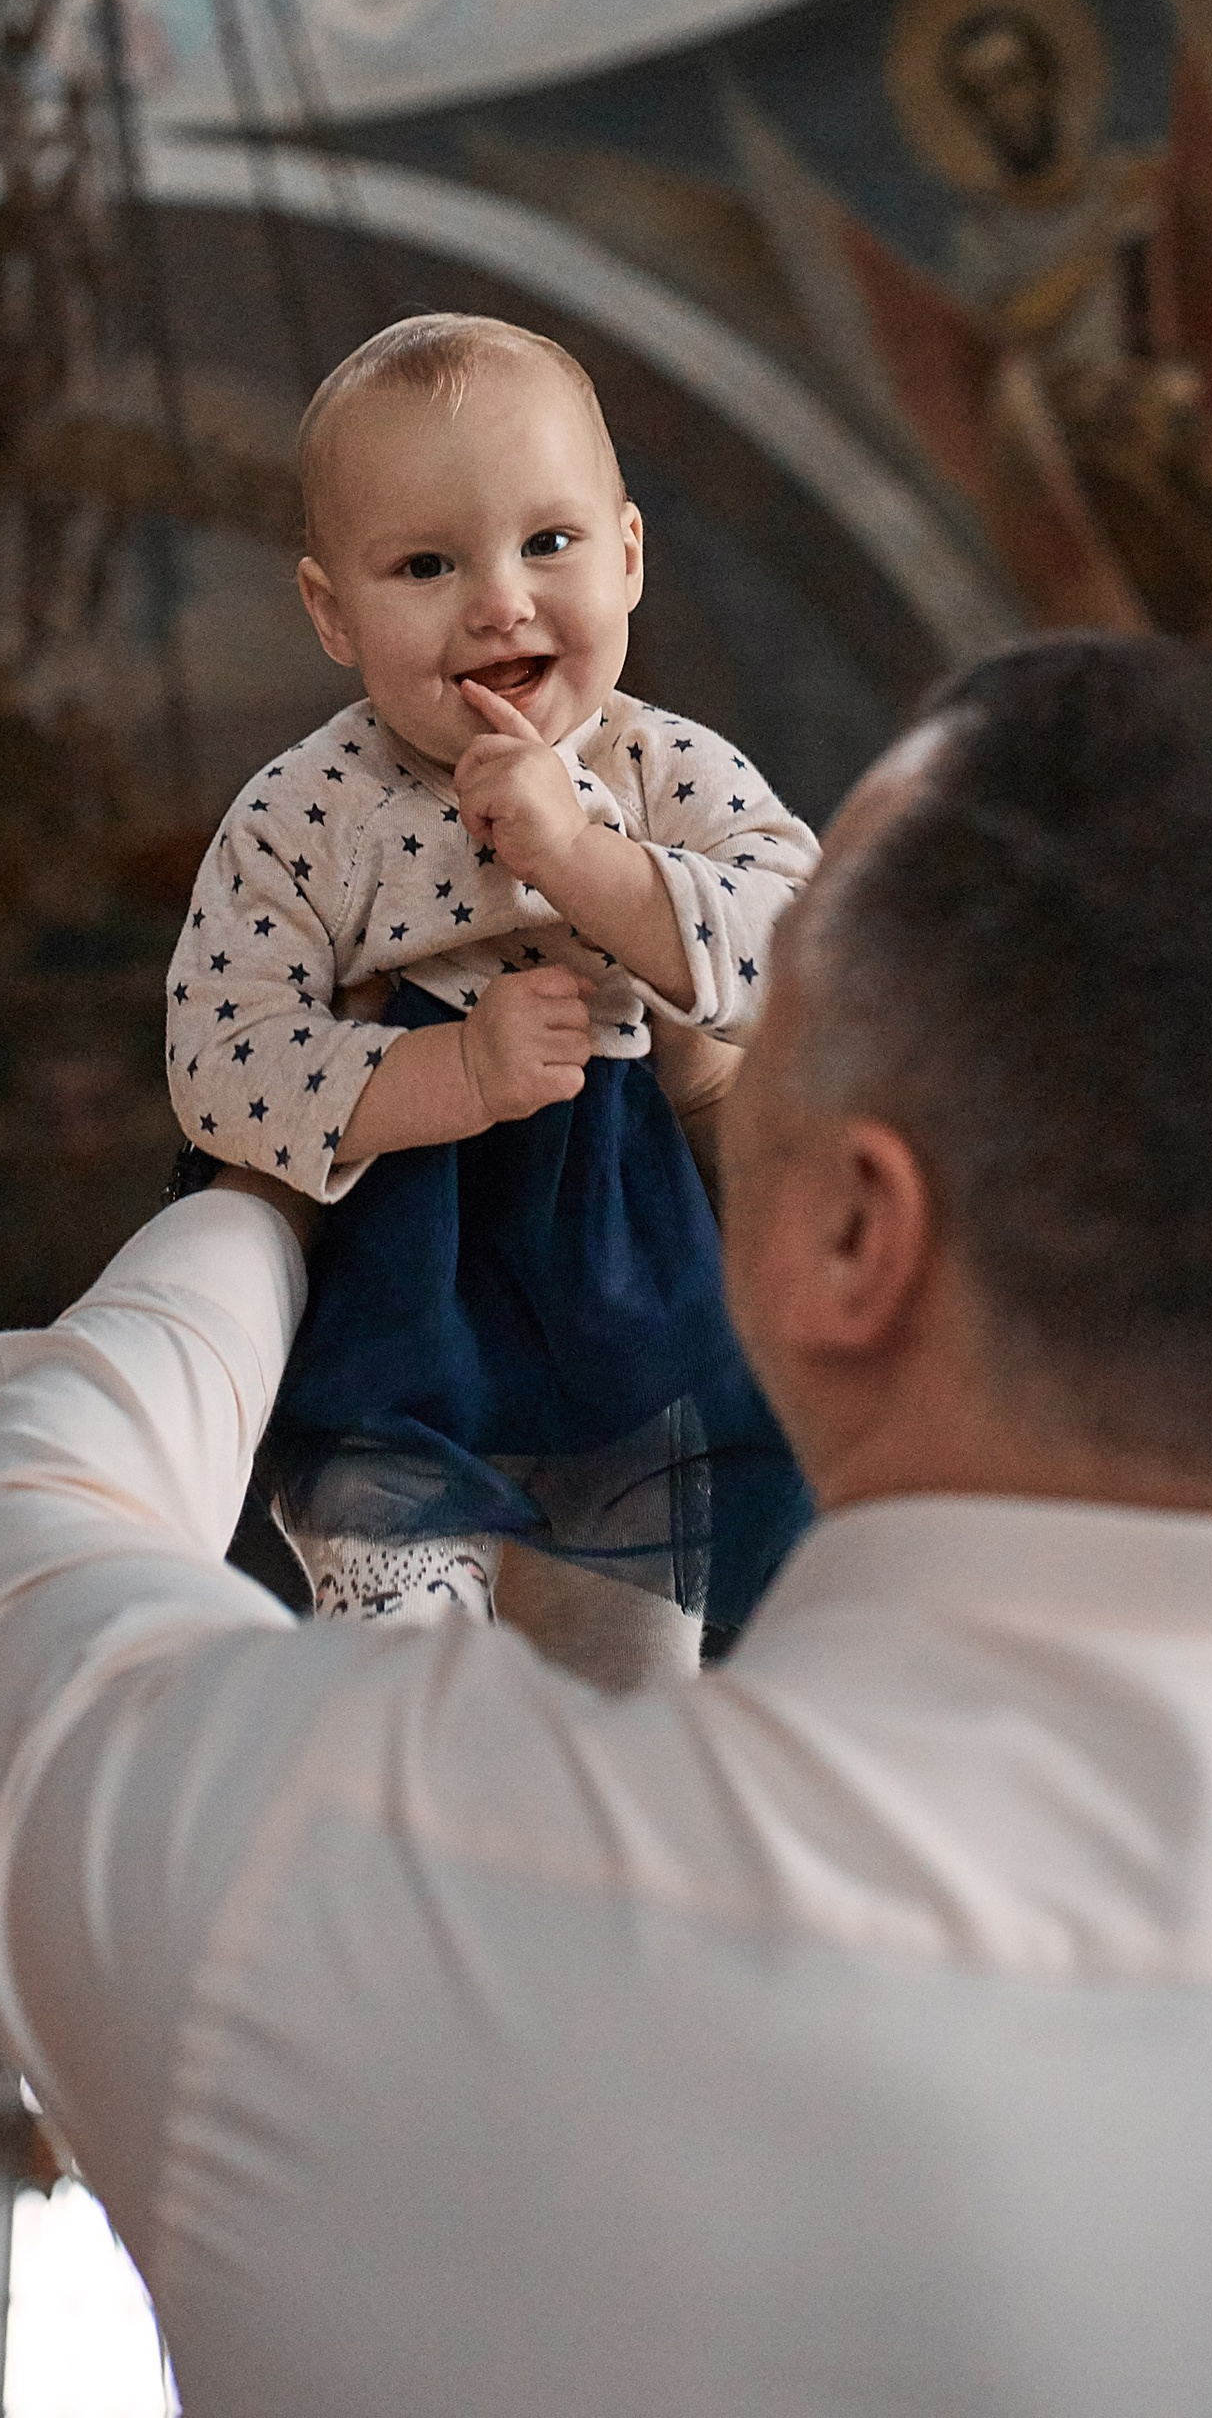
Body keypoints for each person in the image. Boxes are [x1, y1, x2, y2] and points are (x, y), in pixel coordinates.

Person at [0, 636, 1212, 2418]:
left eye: (742, 1072)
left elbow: (14, 1553)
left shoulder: (362, 1885)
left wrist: (285, 1194)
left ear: (851, 1245)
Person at [162, 313, 816, 1679]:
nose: (499, 601)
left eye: (551, 545)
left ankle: (595, 1878)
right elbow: (219, 1059)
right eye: (423, 564)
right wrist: (444, 1077)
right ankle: (394, 1855)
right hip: (405, 1315)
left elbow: (807, 956)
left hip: (631, 1301)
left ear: (630, 556)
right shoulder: (307, 812)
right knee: (406, 1674)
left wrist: (590, 864)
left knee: (624, 1697)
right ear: (333, 613)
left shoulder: (660, 772)